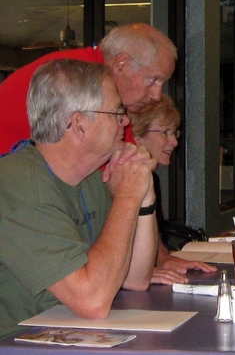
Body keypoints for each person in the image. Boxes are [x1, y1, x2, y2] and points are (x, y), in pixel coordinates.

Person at [0, 59, 158, 340]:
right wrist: (126, 196)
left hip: (61, 335)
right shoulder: (17, 184)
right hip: (14, 342)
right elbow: (92, 301)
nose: (126, 121)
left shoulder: (90, 181)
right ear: (79, 124)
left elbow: (135, 278)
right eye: (116, 112)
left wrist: (143, 197)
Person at [0, 22, 177, 154]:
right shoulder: (79, 80)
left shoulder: (91, 76)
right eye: (153, 80)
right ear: (121, 64)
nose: (156, 95)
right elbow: (114, 165)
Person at [129, 95, 217, 284]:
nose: (174, 142)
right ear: (137, 138)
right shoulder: (121, 184)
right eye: (165, 132)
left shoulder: (152, 179)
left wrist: (163, 258)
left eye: (174, 133)